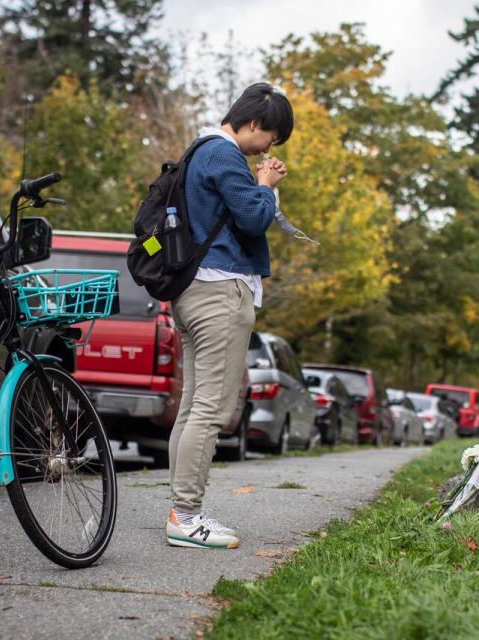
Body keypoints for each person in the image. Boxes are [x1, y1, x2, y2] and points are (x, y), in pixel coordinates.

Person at [165, 83, 293, 549]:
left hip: (194, 290)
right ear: (254, 123)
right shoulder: (224, 156)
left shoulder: (198, 151)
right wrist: (266, 185)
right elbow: (253, 219)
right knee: (213, 409)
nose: (268, 148)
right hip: (221, 291)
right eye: (271, 138)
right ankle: (187, 515)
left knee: (193, 405)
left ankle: (180, 508)